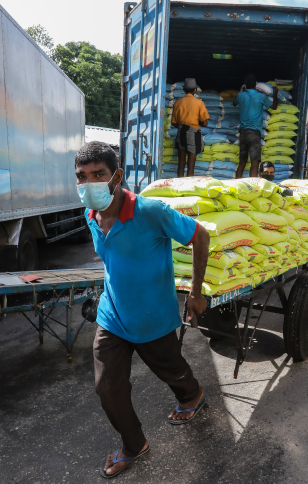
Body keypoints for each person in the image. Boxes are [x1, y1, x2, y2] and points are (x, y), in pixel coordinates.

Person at [74, 141, 210, 478]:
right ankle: (134, 444)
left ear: (116, 176)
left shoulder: (150, 211)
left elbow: (201, 236)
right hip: (112, 315)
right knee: (107, 387)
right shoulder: (91, 213)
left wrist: (196, 292)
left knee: (172, 370)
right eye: (82, 176)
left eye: (98, 174)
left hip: (153, 315)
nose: (89, 183)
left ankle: (192, 396)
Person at [234, 74, 278, 178]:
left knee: (242, 163)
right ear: (256, 84)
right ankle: (253, 187)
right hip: (254, 133)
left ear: (245, 85)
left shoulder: (240, 95)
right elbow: (274, 106)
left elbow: (234, 103)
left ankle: (236, 186)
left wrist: (242, 91)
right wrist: (275, 94)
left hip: (243, 133)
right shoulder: (261, 96)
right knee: (254, 163)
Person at [171, 78, 209, 177]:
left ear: (184, 90)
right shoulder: (199, 103)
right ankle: (188, 188)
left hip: (181, 132)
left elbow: (174, 123)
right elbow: (205, 124)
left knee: (181, 165)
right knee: (191, 165)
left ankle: (179, 187)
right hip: (193, 134)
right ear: (195, 90)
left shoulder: (178, 103)